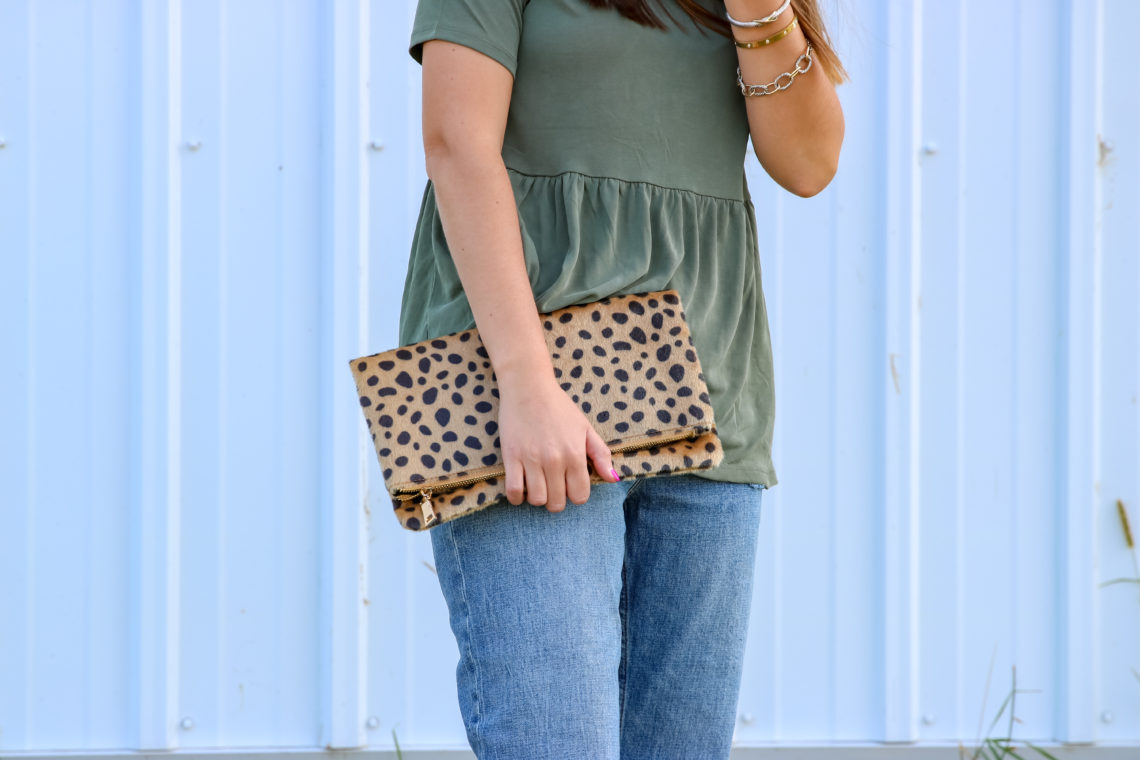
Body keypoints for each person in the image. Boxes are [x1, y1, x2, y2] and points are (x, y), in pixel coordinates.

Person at [398, 0, 845, 757]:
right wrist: (526, 382)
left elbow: (807, 165)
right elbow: (457, 144)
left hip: (706, 397)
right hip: (526, 392)